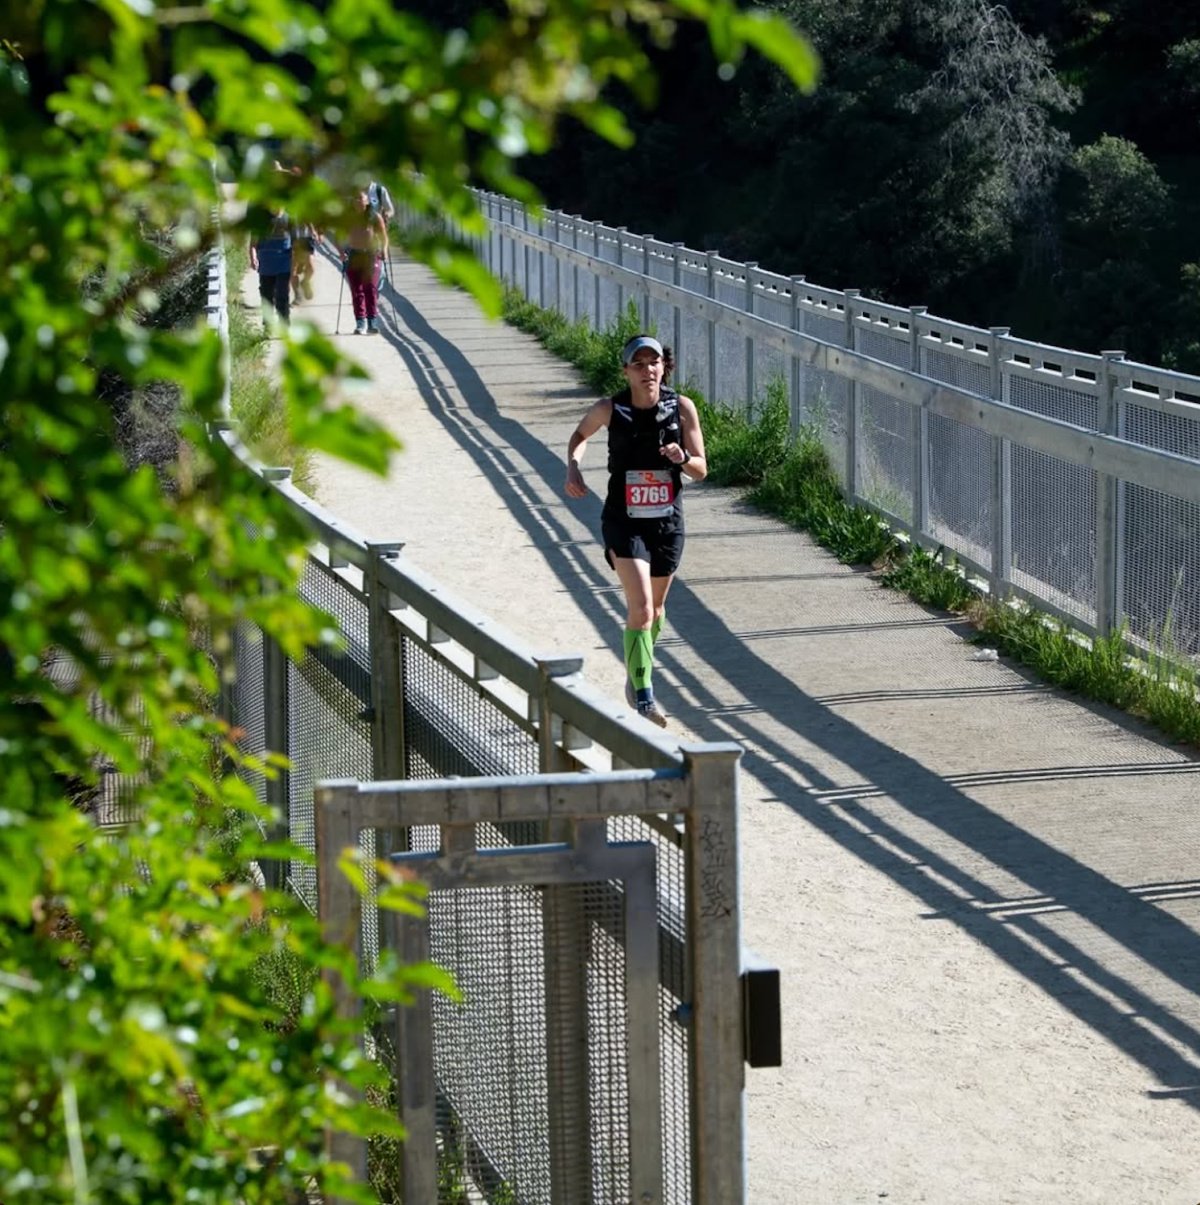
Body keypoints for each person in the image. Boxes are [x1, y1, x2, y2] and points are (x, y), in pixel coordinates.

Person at [564, 335, 708, 726]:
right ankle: (644, 695)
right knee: (641, 607)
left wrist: (682, 459)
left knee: (655, 611)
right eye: (639, 364)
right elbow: (579, 436)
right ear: (626, 371)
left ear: (665, 366)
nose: (648, 371)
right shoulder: (610, 409)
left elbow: (702, 469)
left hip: (666, 522)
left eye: (654, 363)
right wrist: (574, 466)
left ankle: (637, 667)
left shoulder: (682, 408)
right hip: (624, 520)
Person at [340, 190, 389, 335]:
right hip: (354, 254)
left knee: (370, 288)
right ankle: (360, 323)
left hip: (371, 255)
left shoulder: (374, 217)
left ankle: (372, 321)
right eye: (355, 198)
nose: (358, 201)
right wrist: (340, 252)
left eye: (361, 198)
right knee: (357, 291)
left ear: (367, 201)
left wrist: (384, 250)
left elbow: (384, 237)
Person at [247, 204, 294, 326]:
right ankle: (268, 326)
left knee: (282, 295)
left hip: (284, 263)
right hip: (266, 263)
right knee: (266, 296)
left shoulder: (289, 219)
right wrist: (253, 258)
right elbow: (253, 243)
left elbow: (295, 244)